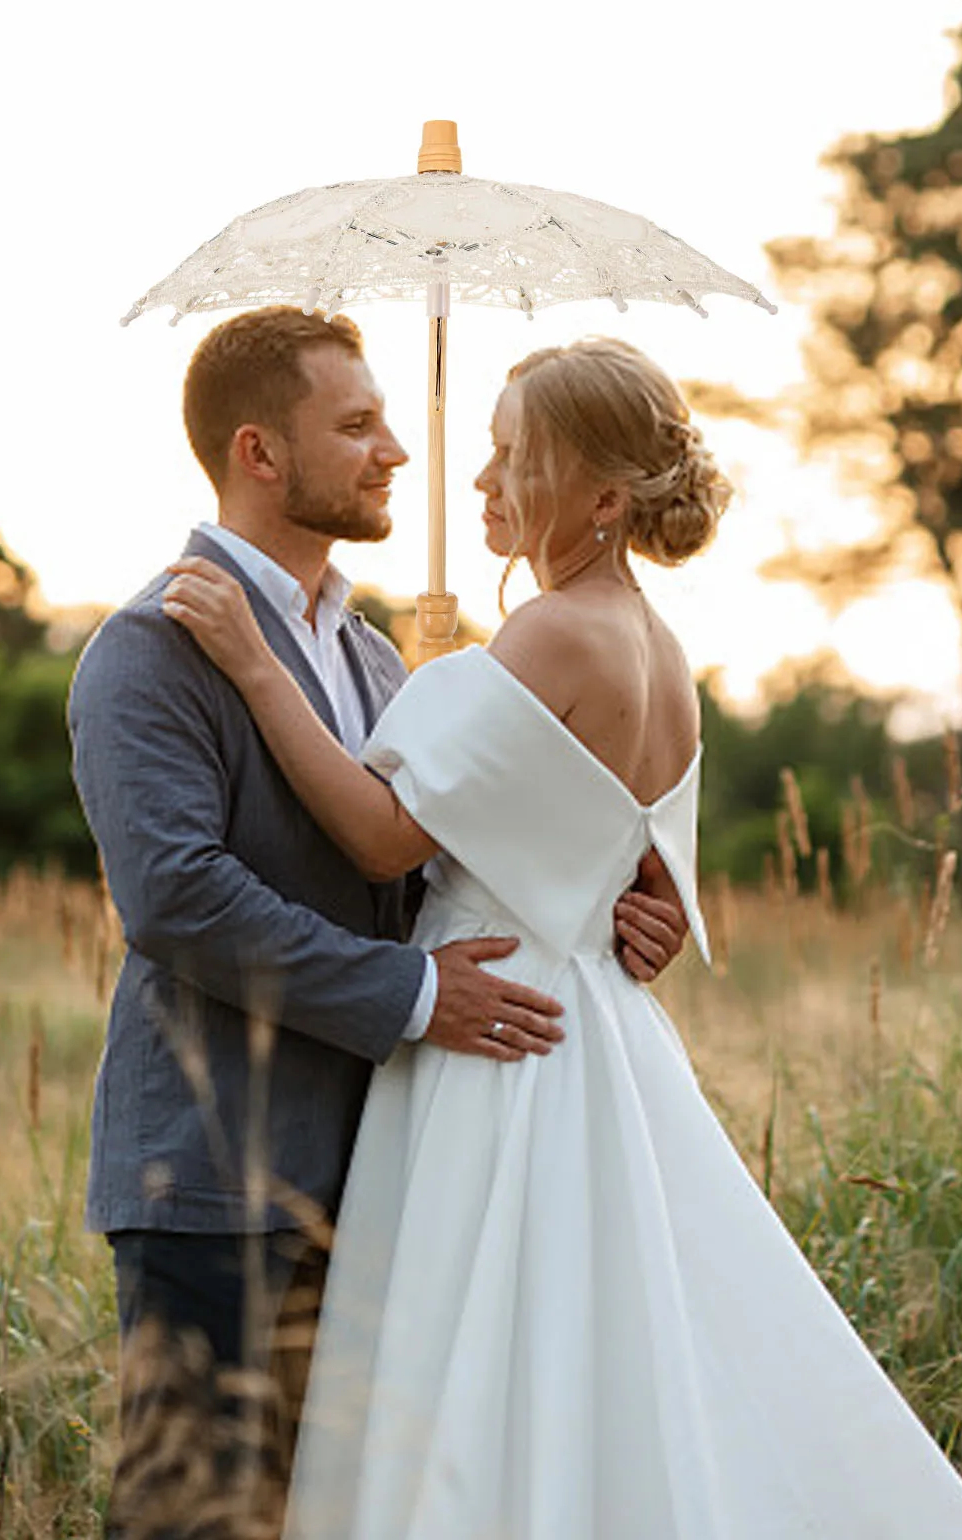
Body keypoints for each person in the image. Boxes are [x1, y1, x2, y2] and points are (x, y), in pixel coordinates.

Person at [162, 335, 962, 1539]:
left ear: (604, 497)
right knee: (597, 1348)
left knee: (487, 1349)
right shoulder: (663, 651)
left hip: (499, 1033)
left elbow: (383, 838)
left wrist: (255, 668)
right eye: (493, 448)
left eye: (516, 456)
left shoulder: (552, 634)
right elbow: (629, 871)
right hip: (597, 1024)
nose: (483, 480)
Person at [68, 308, 689, 1538]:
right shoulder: (153, 647)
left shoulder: (367, 654)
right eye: (356, 425)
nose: (397, 450)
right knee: (194, 1519)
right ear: (258, 453)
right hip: (216, 1172)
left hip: (388, 1169)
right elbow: (176, 899)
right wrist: (416, 998)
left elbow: (423, 867)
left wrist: (599, 895)